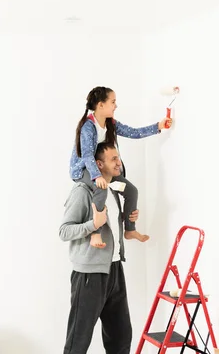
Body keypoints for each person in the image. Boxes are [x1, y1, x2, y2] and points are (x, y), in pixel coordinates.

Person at [69, 85, 172, 248]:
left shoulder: (110, 123)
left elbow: (134, 132)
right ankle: (95, 233)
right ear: (100, 105)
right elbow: (88, 155)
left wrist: (158, 126)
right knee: (100, 189)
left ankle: (130, 230)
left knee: (131, 191)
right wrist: (97, 176)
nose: (116, 106)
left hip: (102, 168)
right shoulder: (87, 127)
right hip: (84, 170)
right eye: (113, 102)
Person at [60, 141, 138, 354]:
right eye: (113, 159)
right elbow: (64, 231)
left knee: (121, 337)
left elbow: (109, 224)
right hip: (89, 275)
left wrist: (126, 218)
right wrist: (92, 225)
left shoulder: (111, 190)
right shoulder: (82, 191)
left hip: (114, 270)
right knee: (79, 340)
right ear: (98, 164)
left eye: (118, 158)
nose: (118, 163)